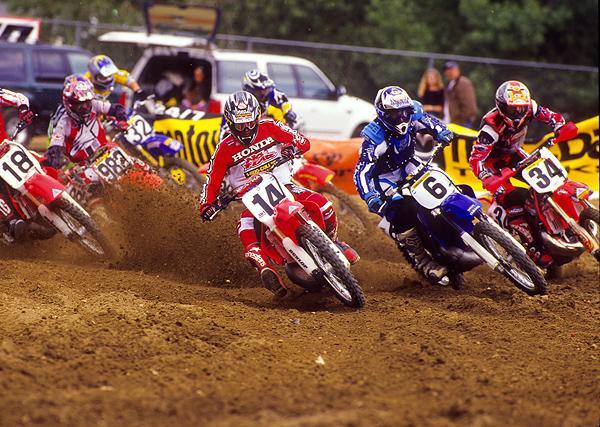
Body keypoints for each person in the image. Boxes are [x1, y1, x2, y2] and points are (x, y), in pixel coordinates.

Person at [200, 91, 358, 297]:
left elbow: (302, 141)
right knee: (245, 231)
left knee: (323, 204)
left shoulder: (271, 127)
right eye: (240, 125)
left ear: (257, 117)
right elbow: (212, 180)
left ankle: (335, 242)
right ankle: (266, 270)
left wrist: (294, 147)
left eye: (250, 123)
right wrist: (207, 204)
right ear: (230, 123)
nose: (246, 129)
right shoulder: (224, 148)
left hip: (284, 185)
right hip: (252, 200)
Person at [469, 80, 576, 267]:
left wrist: (560, 127)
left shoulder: (531, 108)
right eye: (513, 110)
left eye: (521, 108)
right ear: (502, 107)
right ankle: (533, 247)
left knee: (549, 181)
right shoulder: (491, 126)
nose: (519, 113)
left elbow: (553, 117)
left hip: (514, 155)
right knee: (514, 199)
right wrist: (487, 177)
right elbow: (475, 159)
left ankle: (560, 223)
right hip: (494, 166)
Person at [354, 86, 454, 284]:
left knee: (441, 179)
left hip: (409, 164)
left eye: (404, 112)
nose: (401, 118)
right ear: (383, 114)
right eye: (394, 114)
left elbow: (430, 122)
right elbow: (361, 172)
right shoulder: (374, 138)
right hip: (384, 178)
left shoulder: (413, 114)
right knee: (402, 209)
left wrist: (441, 132)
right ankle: (422, 259)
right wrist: (371, 197)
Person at [44, 75, 128, 171]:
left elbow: (116, 108)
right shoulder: (63, 124)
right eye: (80, 104)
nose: (85, 107)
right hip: (83, 167)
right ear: (70, 104)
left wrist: (122, 121)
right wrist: (56, 161)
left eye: (87, 103)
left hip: (107, 151)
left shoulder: (95, 105)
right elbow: (54, 149)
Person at [0, 88, 35, 241]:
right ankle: (11, 221)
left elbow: (19, 98)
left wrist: (23, 110)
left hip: (7, 147)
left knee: (38, 160)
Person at [443, 61, 478, 128]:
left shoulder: (463, 83)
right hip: (452, 122)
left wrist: (460, 119)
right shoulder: (450, 83)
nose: (449, 72)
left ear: (457, 70)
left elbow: (469, 105)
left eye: (451, 69)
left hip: (462, 123)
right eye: (447, 70)